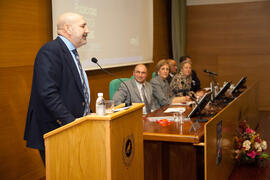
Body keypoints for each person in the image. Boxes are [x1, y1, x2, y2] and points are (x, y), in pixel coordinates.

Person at [24, 12, 90, 165]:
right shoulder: (50, 51)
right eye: (83, 26)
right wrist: (71, 123)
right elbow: (47, 94)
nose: (87, 30)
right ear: (68, 29)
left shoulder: (70, 52)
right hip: (56, 129)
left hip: (71, 127)